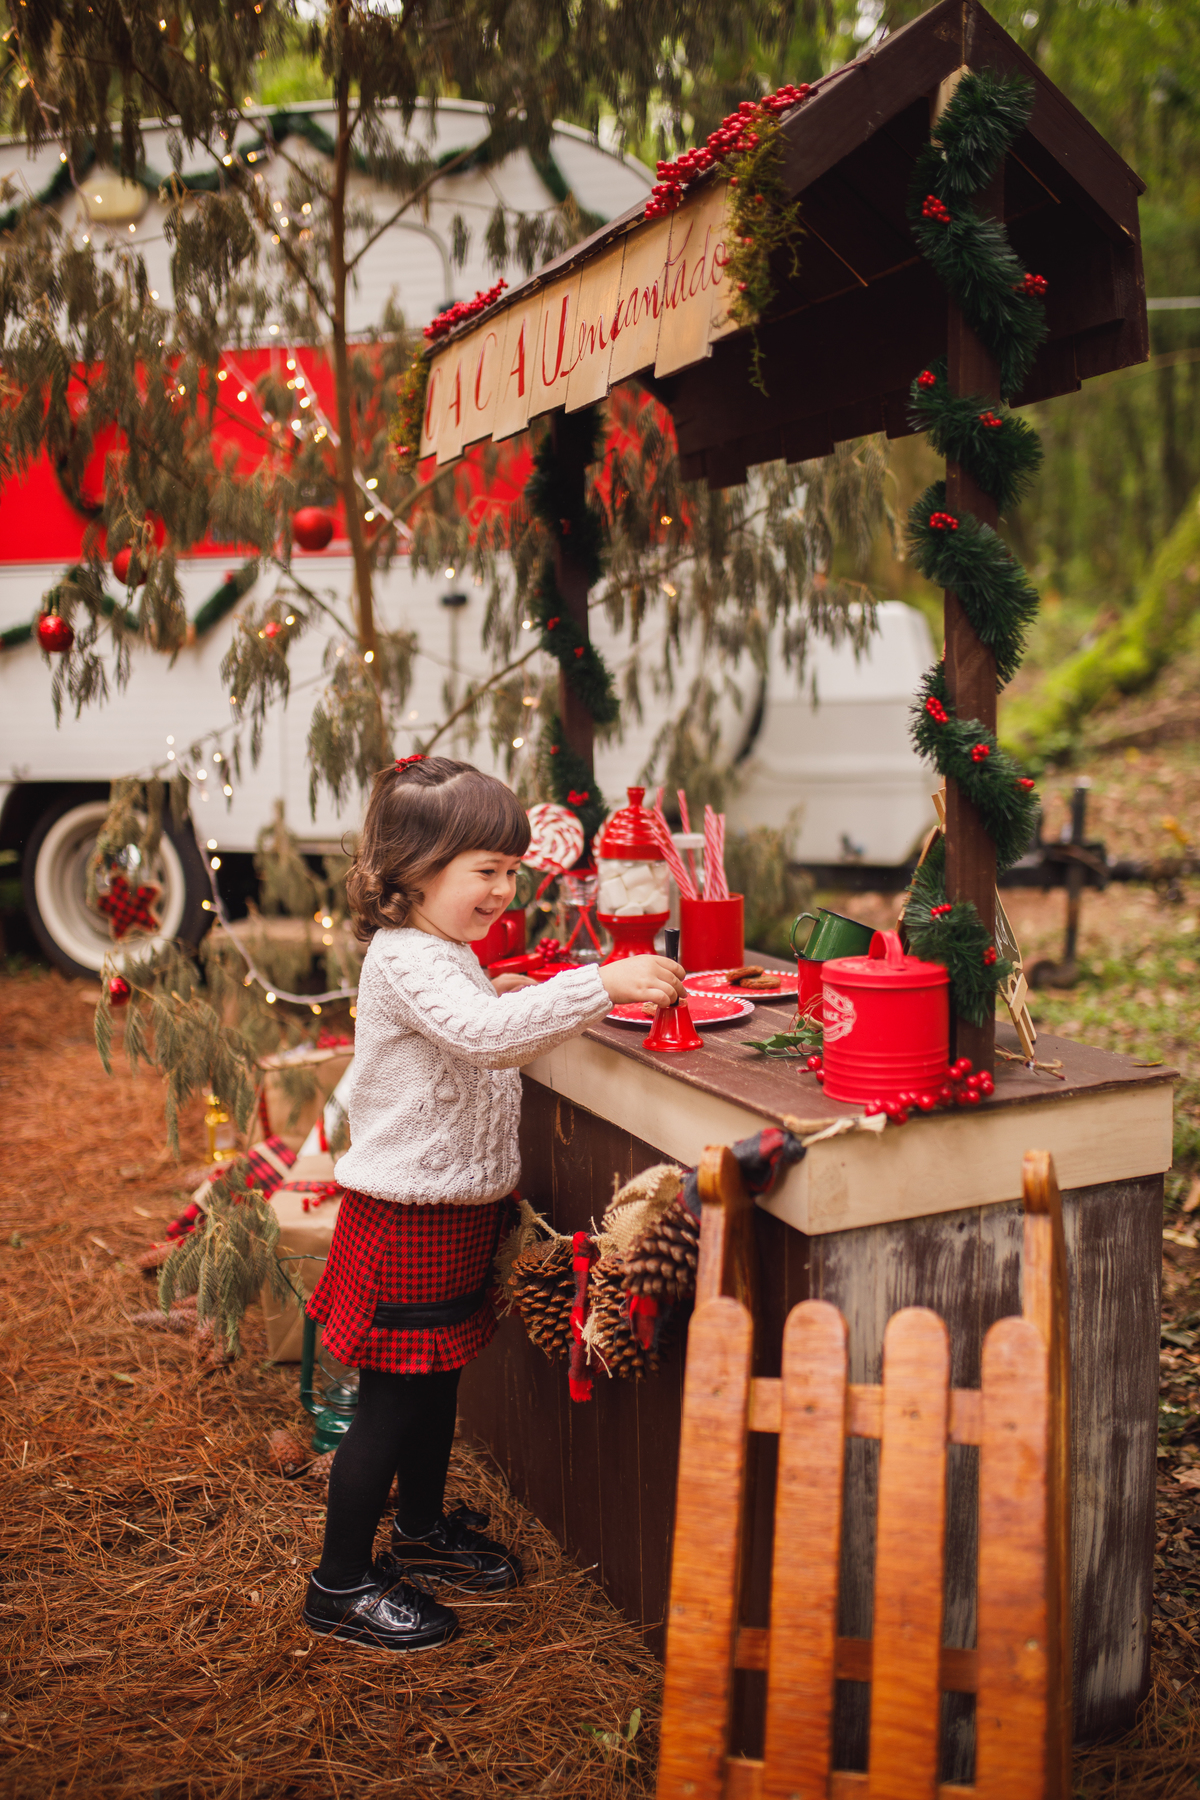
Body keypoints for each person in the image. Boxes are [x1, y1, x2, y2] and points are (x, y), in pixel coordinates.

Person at [302, 754, 685, 1651]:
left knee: (436, 1387)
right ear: (414, 872)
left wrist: (500, 988)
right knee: (390, 1407)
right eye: (487, 871)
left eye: (512, 871)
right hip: (405, 1220)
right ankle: (339, 1583)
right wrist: (598, 984)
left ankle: (419, 1530)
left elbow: (467, 1014)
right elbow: (476, 1038)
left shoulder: (443, 952)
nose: (504, 892)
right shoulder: (406, 956)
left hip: (449, 1213)